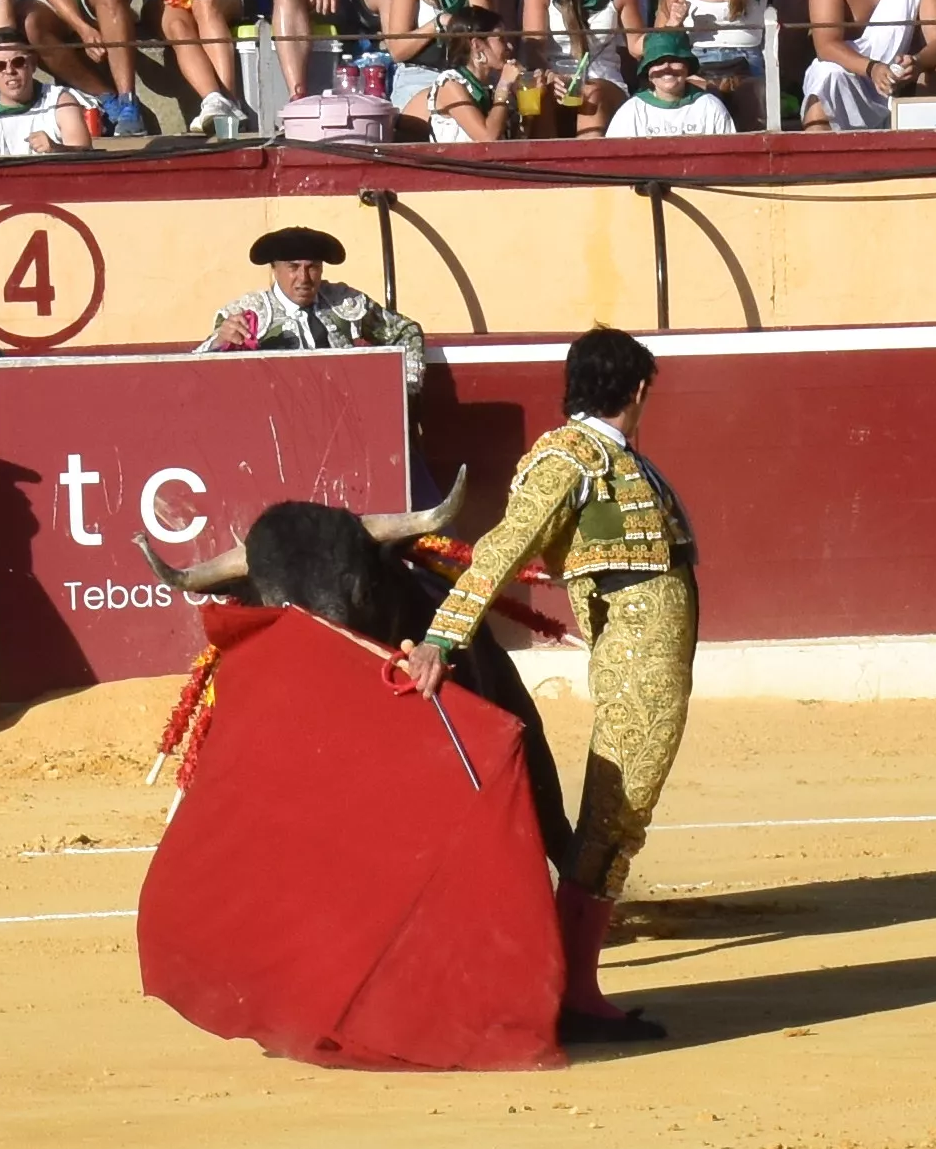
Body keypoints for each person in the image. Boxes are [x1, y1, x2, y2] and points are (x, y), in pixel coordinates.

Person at [405, 323, 694, 1044]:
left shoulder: (609, 457)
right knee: (616, 813)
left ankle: (570, 983)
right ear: (637, 389)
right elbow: (505, 543)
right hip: (636, 658)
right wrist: (446, 635)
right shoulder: (570, 457)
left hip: (651, 656)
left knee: (619, 813)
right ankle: (571, 991)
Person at [202, 223, 431, 357]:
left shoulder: (343, 303)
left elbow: (406, 333)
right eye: (293, 267)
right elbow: (200, 371)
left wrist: (405, 389)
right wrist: (218, 345)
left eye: (313, 268)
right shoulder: (245, 314)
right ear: (274, 269)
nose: (304, 278)